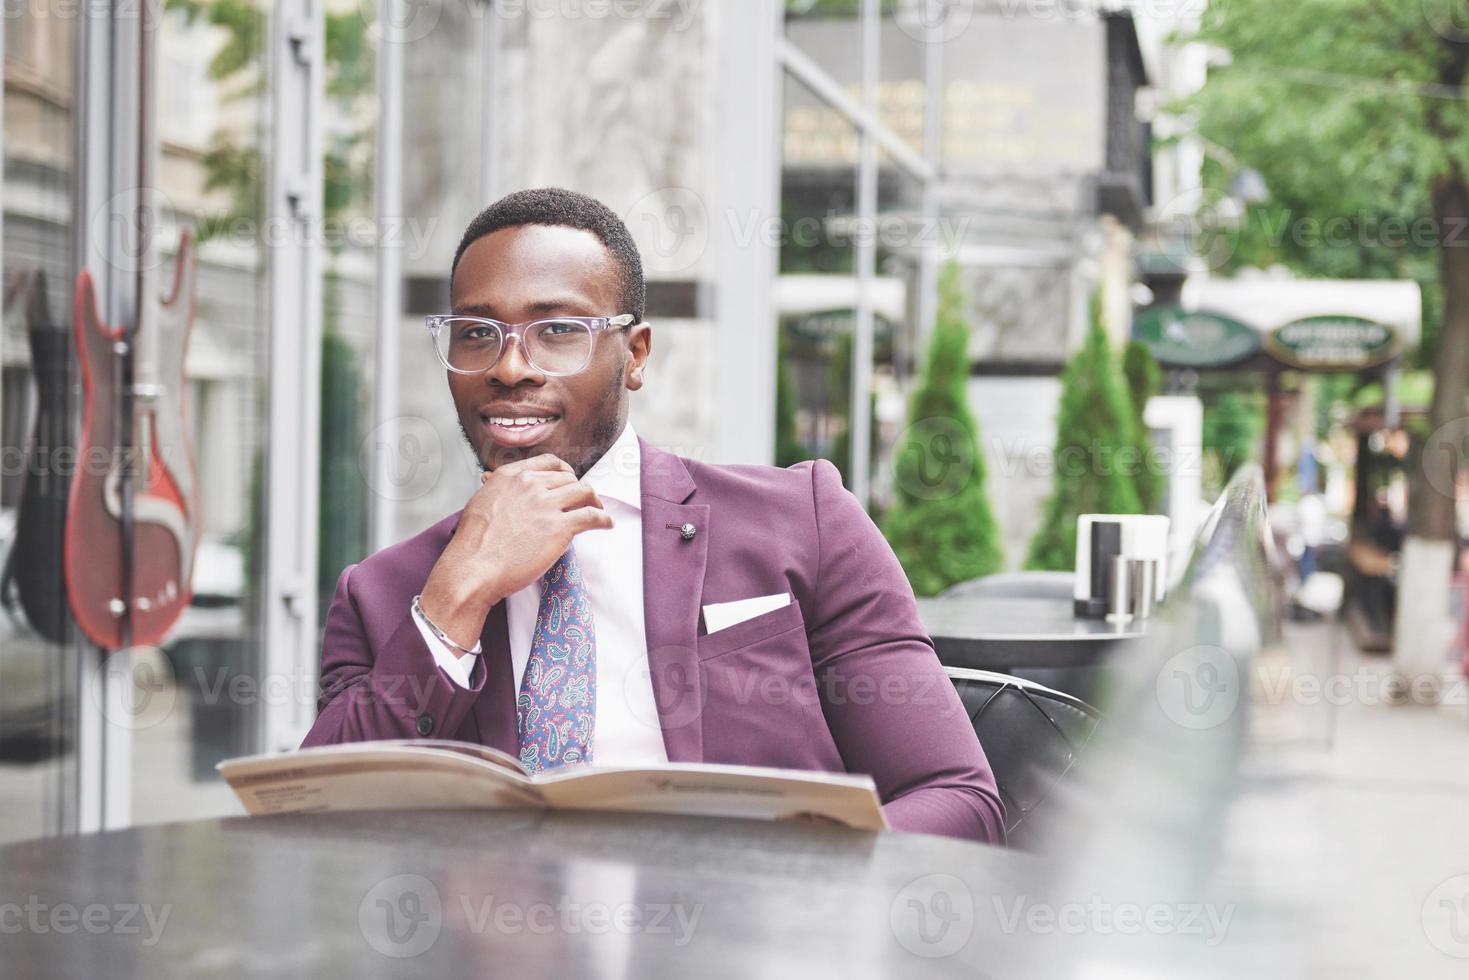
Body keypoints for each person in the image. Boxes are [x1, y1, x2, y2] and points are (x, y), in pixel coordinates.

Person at [302, 188, 1004, 845]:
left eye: (556, 330)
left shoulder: (802, 522)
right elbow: (318, 825)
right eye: (477, 333)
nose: (510, 366)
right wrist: (456, 598)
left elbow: (955, 796)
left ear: (634, 355)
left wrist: (790, 899)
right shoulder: (385, 594)